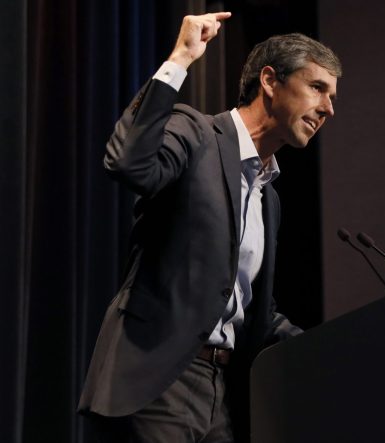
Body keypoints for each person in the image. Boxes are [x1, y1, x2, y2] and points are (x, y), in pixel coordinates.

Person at [77, 12, 341, 442]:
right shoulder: (197, 133)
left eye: (331, 96)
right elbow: (127, 162)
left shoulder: (268, 194)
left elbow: (251, 304)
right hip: (156, 376)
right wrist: (180, 59)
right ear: (270, 82)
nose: (329, 108)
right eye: (317, 89)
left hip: (219, 393)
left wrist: (332, 345)